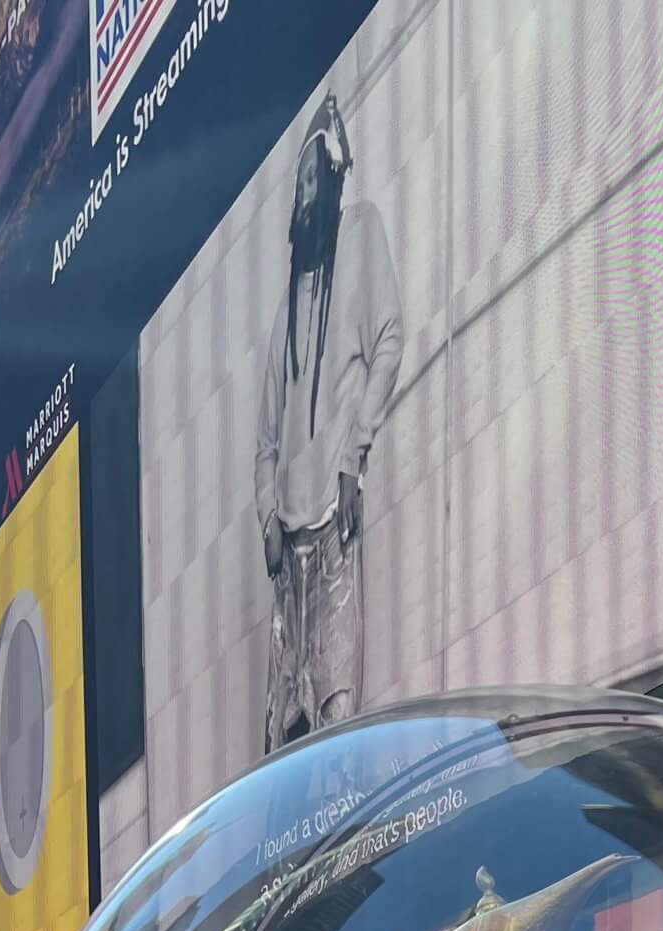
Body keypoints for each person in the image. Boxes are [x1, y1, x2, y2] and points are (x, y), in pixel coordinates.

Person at [255, 92, 403, 749]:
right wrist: (267, 518)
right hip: (289, 548)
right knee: (284, 731)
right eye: (299, 186)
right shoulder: (286, 309)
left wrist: (352, 459)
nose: (304, 196)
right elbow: (265, 440)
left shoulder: (361, 233)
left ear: (335, 178)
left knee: (338, 712)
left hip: (332, 529)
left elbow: (389, 340)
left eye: (314, 180)